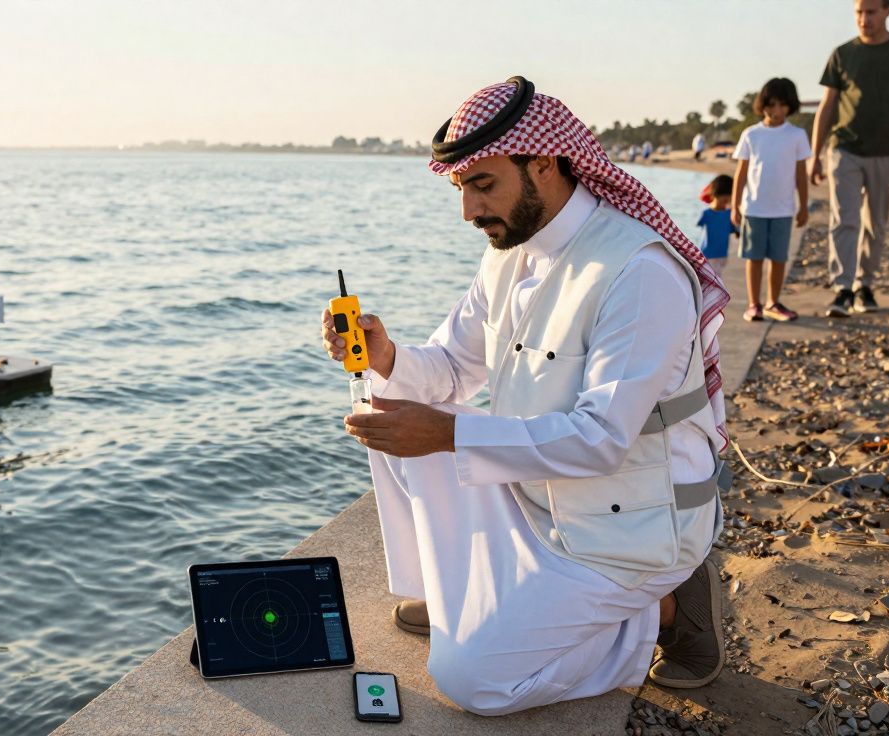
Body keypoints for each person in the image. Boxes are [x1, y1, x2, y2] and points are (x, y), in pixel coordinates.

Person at [320, 77, 731, 716]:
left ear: (543, 161)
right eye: (462, 190)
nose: (469, 212)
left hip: (631, 528)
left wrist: (449, 433)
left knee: (470, 681)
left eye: (484, 185)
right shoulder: (509, 255)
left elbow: (600, 439)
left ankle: (664, 610)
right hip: (540, 498)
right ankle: (461, 597)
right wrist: (386, 357)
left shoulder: (637, 271)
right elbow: (454, 367)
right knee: (392, 416)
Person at [810, 0, 889, 318]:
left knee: (875, 223)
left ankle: (864, 285)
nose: (863, 19)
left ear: (886, 11)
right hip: (845, 148)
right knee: (845, 220)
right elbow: (827, 106)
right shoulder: (843, 54)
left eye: (870, 12)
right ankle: (842, 289)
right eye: (858, 13)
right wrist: (815, 154)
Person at [731, 77, 810, 322]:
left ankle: (773, 303)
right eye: (771, 105)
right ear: (762, 105)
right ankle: (754, 304)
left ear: (790, 106)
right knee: (753, 258)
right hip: (754, 208)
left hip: (783, 209)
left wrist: (803, 206)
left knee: (778, 258)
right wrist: (735, 205)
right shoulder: (751, 135)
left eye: (782, 105)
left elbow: (800, 175)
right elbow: (741, 173)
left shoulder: (796, 135)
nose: (776, 111)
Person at [697, 174, 738, 276]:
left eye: (729, 196)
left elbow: (736, 230)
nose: (727, 199)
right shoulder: (706, 213)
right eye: (725, 196)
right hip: (707, 254)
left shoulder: (729, 214)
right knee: (713, 279)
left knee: (715, 278)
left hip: (721, 254)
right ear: (716, 194)